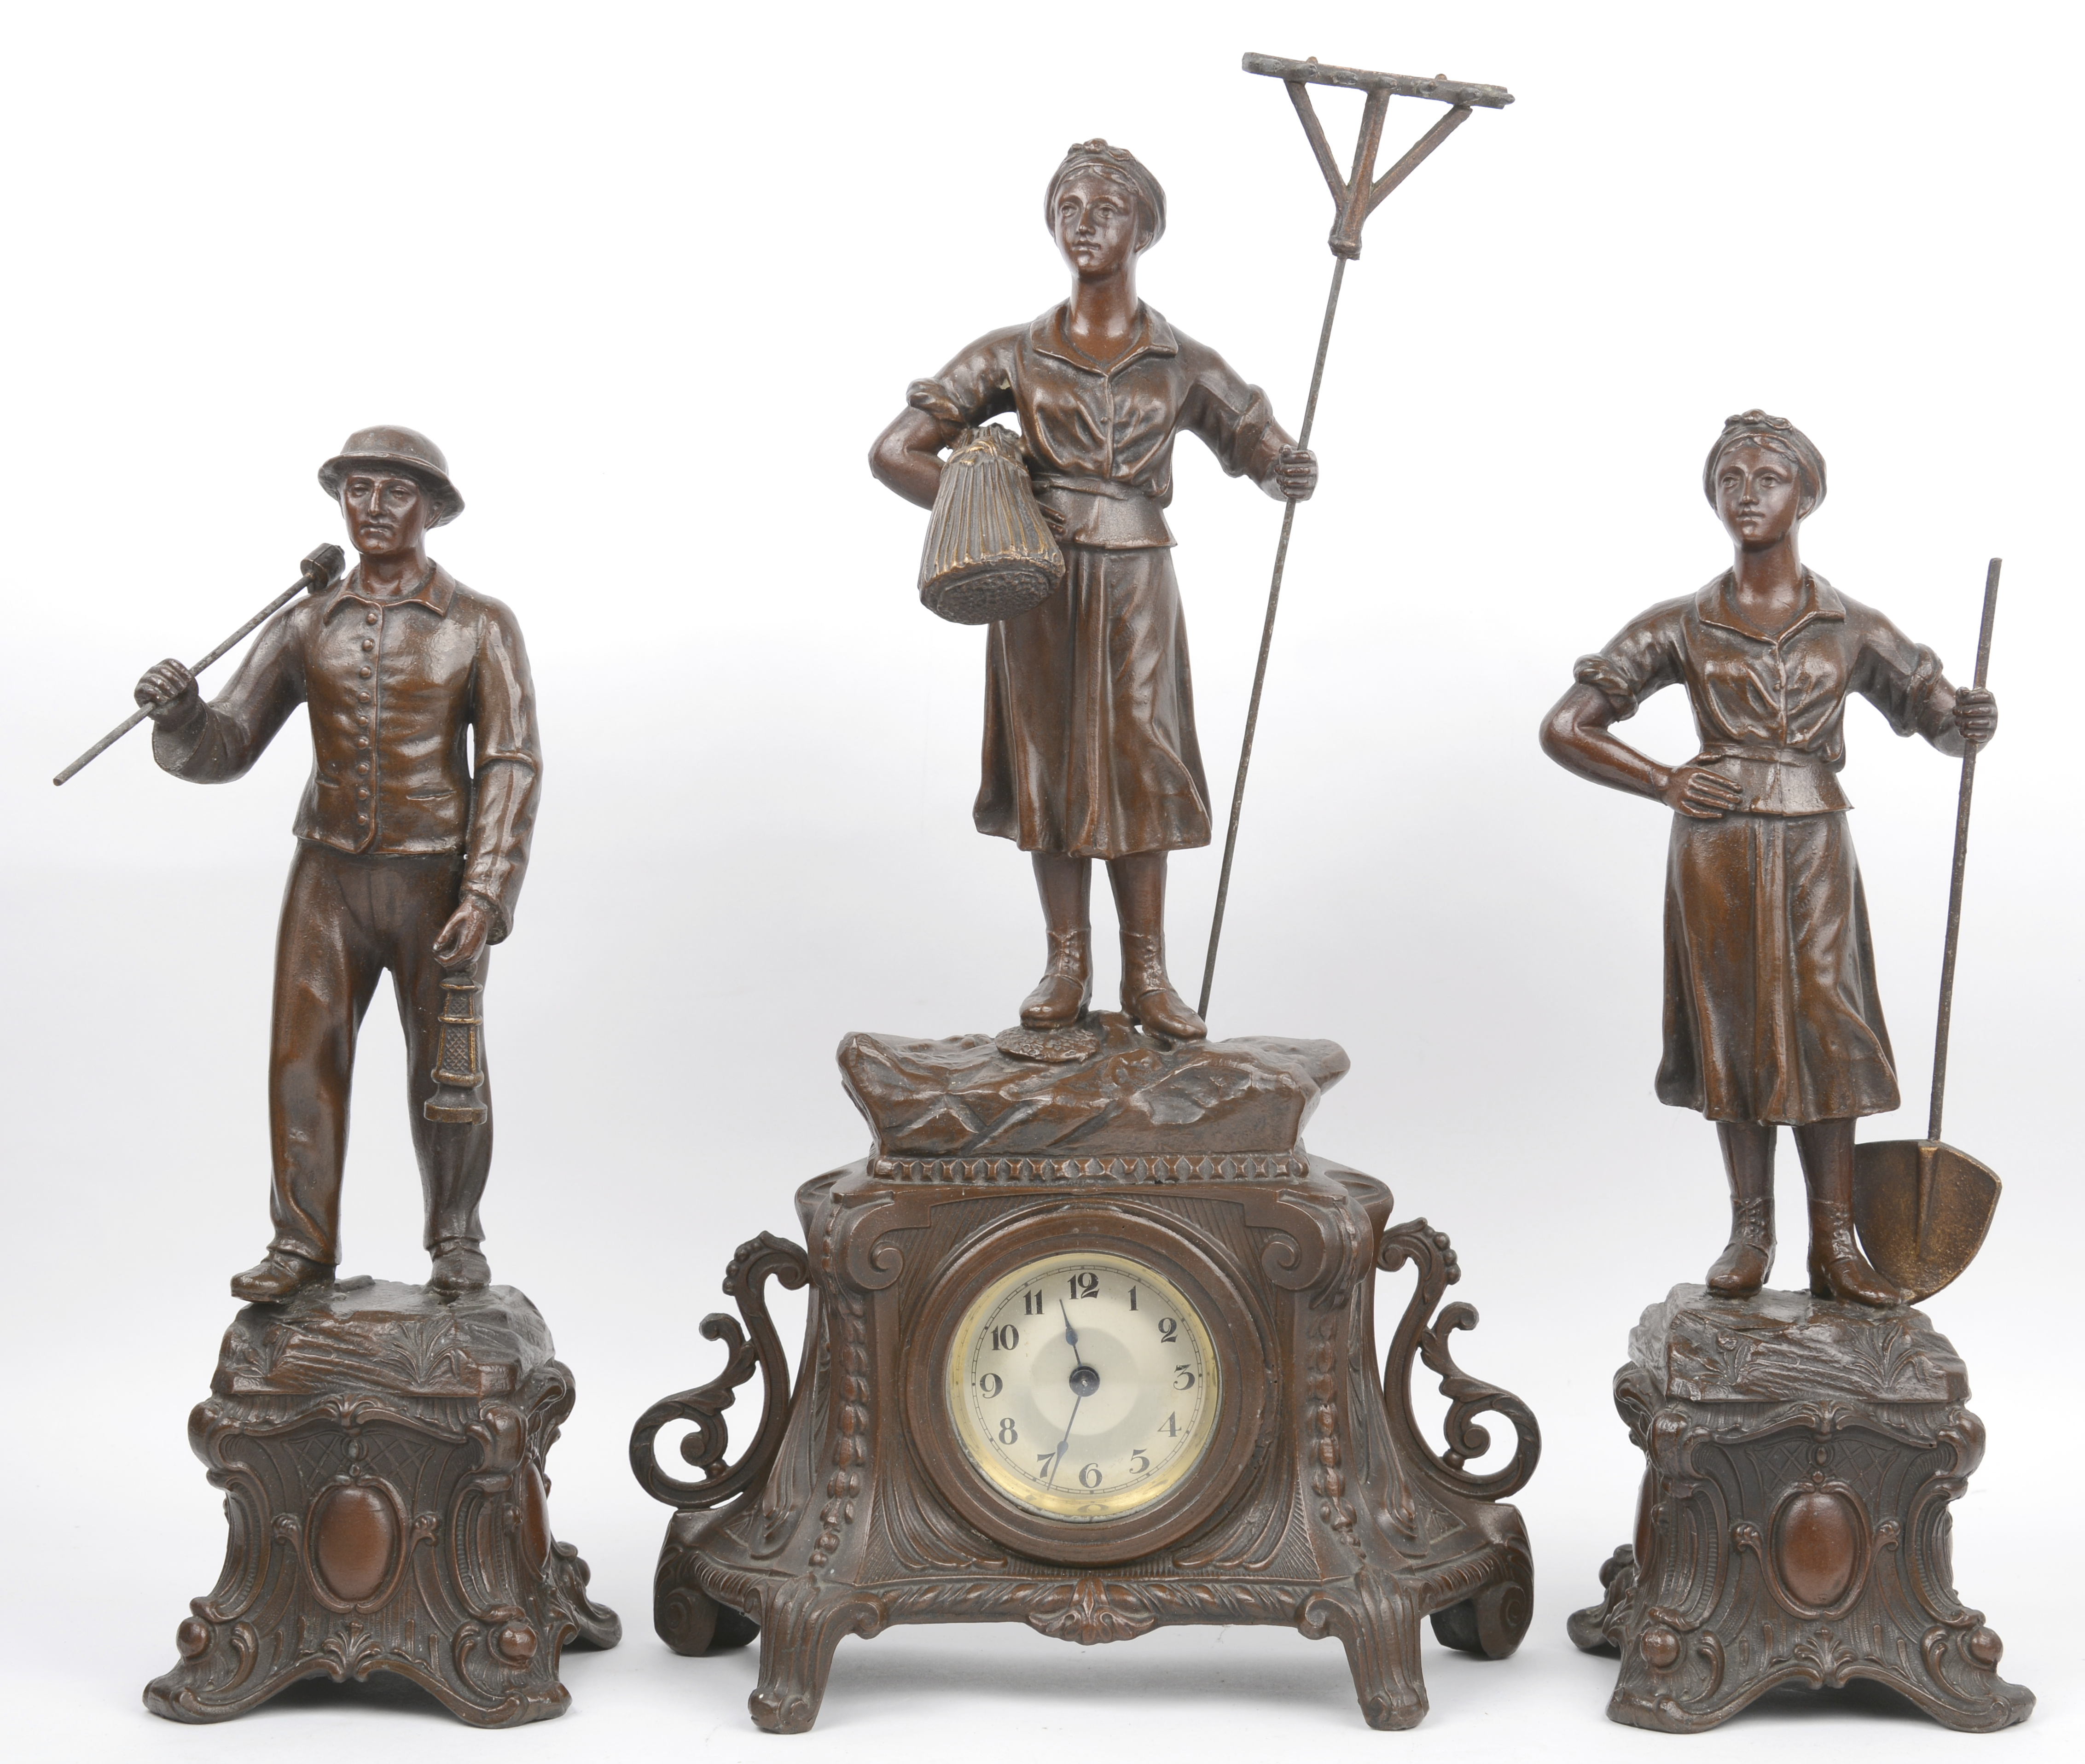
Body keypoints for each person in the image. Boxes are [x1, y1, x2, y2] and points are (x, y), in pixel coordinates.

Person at [1539, 411, 1998, 1308]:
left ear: (1806, 495)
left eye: (1768, 478)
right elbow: (1565, 727)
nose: (1746, 495)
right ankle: (1750, 1230)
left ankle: (1837, 1241)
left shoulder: (1850, 625)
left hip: (1815, 842)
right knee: (1734, 1028)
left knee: (1830, 1024)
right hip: (1717, 849)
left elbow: (1939, 719)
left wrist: (1967, 720)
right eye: (1729, 480)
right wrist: (1664, 780)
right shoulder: (1681, 623)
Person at [870, 140, 1318, 1041]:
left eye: (1106, 210)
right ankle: (1065, 963)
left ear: (1143, 230)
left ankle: (1147, 973)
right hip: (1041, 584)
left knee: (1143, 757)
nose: (1084, 224)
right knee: (1051, 761)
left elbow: (1259, 445)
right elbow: (895, 451)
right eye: (1068, 208)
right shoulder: (1012, 352)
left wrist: (1287, 468)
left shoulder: (1180, 358)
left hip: (1140, 577)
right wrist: (988, 501)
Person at [135, 426, 540, 1301]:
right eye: (358, 489)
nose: (374, 507)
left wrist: (485, 891)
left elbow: (511, 762)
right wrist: (182, 716)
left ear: (434, 509)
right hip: (326, 879)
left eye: (396, 492)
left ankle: (456, 1239)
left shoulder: (480, 624)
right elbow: (229, 743)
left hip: (435, 882)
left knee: (449, 1069)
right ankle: (301, 1244)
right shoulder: (306, 621)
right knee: (302, 1058)